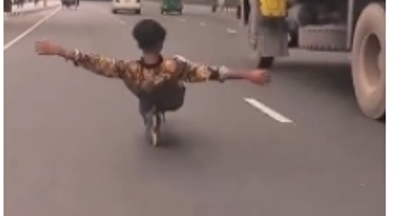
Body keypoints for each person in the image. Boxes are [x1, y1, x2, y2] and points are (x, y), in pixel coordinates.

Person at [33, 18, 272, 145]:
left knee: (137, 85)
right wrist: (249, 75)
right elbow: (212, 72)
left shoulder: (129, 68)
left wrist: (59, 50)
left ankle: (149, 114)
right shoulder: (175, 65)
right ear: (161, 43)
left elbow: (92, 61)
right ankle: (154, 111)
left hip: (144, 94)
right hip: (173, 99)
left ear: (139, 44)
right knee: (180, 75)